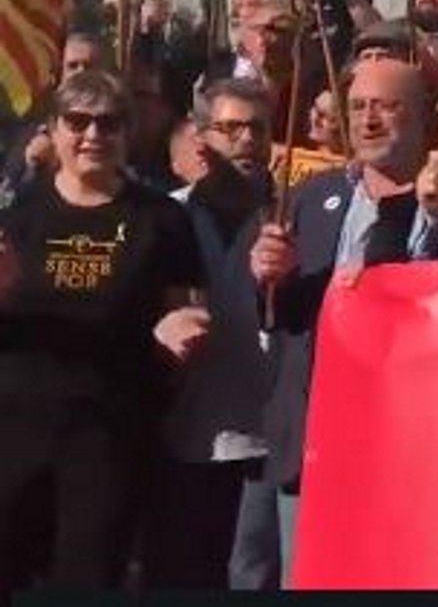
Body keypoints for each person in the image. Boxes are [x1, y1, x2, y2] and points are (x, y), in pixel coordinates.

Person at [248, 60, 438, 576]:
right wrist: (269, 277)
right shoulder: (313, 197)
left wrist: (437, 217)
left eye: (386, 106)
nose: (368, 120)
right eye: (359, 106)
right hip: (311, 442)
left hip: (411, 446)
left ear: (424, 117)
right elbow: (280, 317)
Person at [0, 71, 208, 590]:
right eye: (77, 121)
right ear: (53, 128)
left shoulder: (160, 220)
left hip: (108, 440)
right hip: (14, 436)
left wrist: (182, 333)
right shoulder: (18, 216)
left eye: (108, 124)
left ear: (127, 133)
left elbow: (190, 310)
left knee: (88, 581)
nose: (93, 135)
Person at [152, 79, 278, 590]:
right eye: (230, 128)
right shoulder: (164, 215)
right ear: (202, 139)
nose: (245, 140)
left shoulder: (297, 211)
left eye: (256, 128)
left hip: (267, 438)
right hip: (184, 434)